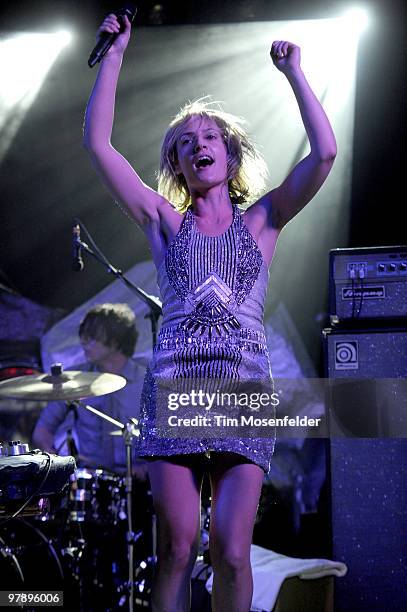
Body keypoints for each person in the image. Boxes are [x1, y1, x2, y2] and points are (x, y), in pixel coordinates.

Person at [83, 13, 336, 612]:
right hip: (176, 391)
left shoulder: (264, 220)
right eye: (186, 141)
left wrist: (295, 73)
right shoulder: (164, 221)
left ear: (230, 150)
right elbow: (98, 146)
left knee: (232, 552)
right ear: (177, 163)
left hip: (242, 395)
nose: (200, 144)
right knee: (175, 548)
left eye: (210, 136)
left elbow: (324, 154)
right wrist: (116, 53)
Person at [32, 303, 147, 478]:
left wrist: (150, 469)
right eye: (83, 336)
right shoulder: (74, 380)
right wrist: (59, 466)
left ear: (115, 341)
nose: (84, 342)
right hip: (90, 480)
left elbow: (170, 436)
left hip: (141, 481)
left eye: (92, 336)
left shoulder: (147, 380)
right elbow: (42, 432)